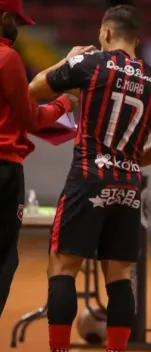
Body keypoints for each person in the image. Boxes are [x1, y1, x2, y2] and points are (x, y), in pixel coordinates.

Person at [28, 5, 151, 352]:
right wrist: (128, 164)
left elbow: (33, 90)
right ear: (137, 38)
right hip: (129, 184)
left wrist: (67, 61)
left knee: (63, 267)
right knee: (119, 275)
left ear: (106, 33)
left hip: (88, 177)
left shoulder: (89, 64)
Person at [0, 0, 77, 317]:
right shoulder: (8, 57)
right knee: (4, 258)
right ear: (4, 16)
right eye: (15, 21)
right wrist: (64, 104)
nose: (16, 28)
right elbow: (31, 117)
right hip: (4, 168)